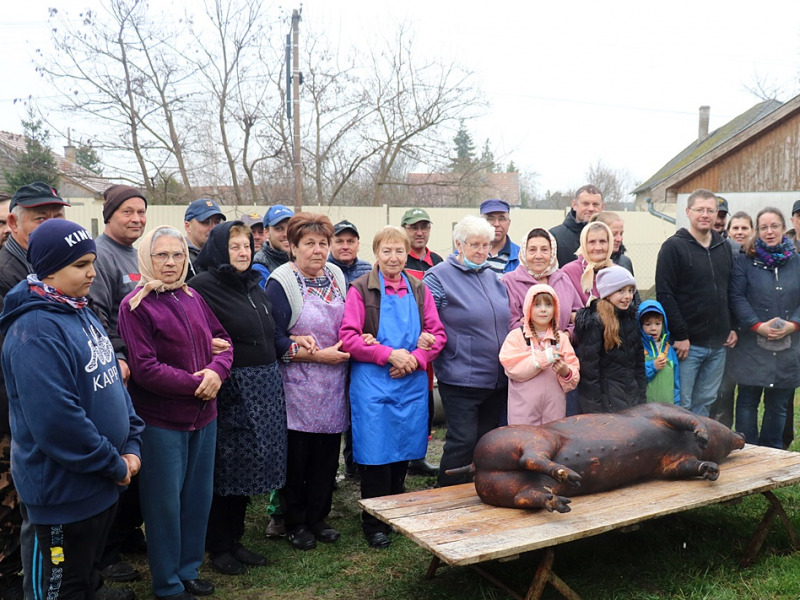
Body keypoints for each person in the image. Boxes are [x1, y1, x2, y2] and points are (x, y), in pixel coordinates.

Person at [1, 218, 144, 600]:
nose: (92, 273)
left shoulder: (79, 310)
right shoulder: (33, 332)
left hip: (101, 484)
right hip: (63, 497)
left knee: (83, 572)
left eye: (92, 262)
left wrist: (131, 443)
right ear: (49, 269)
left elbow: (113, 382)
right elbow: (57, 422)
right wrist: (114, 465)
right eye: (80, 265)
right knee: (57, 587)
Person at [118, 226, 233, 600]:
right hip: (162, 421)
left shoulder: (192, 296)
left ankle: (189, 570)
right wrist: (196, 384)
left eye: (178, 255)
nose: (170, 263)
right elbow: (145, 368)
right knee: (164, 506)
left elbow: (225, 342)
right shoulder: (135, 306)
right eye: (161, 255)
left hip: (205, 417)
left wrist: (218, 371)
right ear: (146, 260)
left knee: (198, 498)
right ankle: (167, 584)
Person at [339, 226, 446, 549]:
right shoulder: (361, 289)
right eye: (386, 251)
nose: (393, 257)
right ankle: (374, 522)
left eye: (399, 251)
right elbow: (349, 337)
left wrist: (414, 359)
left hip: (410, 383)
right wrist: (388, 355)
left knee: (403, 450)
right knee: (376, 454)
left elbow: (437, 334)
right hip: (373, 384)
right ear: (376, 254)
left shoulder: (418, 289)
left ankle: (396, 512)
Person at [191, 221, 287, 575]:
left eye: (247, 245)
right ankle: (217, 546)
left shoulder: (253, 284)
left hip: (263, 387)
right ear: (219, 249)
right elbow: (193, 335)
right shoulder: (202, 288)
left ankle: (235, 540)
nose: (244, 251)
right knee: (226, 469)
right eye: (235, 246)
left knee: (247, 468)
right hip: (231, 388)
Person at [0, 182, 71, 600]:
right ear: (14, 221)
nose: (50, 226)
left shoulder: (46, 267)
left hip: (40, 410)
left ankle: (65, 582)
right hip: (10, 415)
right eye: (40, 219)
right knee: (17, 512)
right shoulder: (8, 275)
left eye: (55, 218)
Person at [265, 213, 349, 551]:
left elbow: (350, 321)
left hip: (333, 384)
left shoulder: (336, 275)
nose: (318, 250)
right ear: (293, 247)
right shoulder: (281, 281)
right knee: (296, 458)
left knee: (327, 456)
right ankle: (295, 521)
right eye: (309, 244)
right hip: (297, 383)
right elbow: (272, 336)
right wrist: (312, 354)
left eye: (323, 243)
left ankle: (319, 517)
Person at [423, 215, 510, 487]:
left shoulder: (493, 277)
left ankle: (477, 493)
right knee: (462, 441)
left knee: (487, 441)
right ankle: (445, 495)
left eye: (486, 245)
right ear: (459, 244)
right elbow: (426, 321)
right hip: (461, 377)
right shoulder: (437, 277)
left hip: (496, 377)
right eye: (475, 245)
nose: (482, 251)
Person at [90, 184, 148, 585]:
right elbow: (96, 319)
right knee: (117, 462)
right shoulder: (99, 256)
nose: (136, 219)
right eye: (128, 212)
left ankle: (127, 534)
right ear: (110, 214)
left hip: (146, 374)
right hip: (117, 376)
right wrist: (120, 357)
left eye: (141, 212)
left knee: (139, 458)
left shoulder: (139, 255)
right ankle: (105, 552)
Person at [655, 188, 737, 417]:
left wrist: (732, 326)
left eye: (711, 210)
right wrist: (680, 335)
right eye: (700, 209)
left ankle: (698, 445)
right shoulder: (674, 247)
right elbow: (665, 294)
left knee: (707, 399)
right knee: (683, 401)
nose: (705, 214)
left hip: (719, 343)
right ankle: (679, 450)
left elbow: (729, 290)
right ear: (688, 212)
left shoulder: (724, 247)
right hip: (688, 345)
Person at [728, 207, 800, 449]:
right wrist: (756, 325)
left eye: (775, 226)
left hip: (788, 347)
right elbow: (737, 297)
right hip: (752, 346)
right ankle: (747, 454)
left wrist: (793, 324)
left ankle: (773, 454)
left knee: (778, 405)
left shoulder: (797, 261)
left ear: (783, 228)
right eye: (764, 227)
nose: (769, 232)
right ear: (757, 231)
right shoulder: (744, 261)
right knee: (747, 402)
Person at [400, 207, 443, 477]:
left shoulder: (437, 261)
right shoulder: (395, 259)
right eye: (414, 227)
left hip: (428, 344)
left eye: (424, 227)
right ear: (404, 229)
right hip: (400, 342)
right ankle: (398, 459)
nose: (419, 232)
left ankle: (418, 457)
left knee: (424, 400)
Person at [499, 284, 579, 426]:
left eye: (548, 304)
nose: (543, 309)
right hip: (523, 415)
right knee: (524, 445)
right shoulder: (517, 336)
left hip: (554, 413)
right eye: (536, 305)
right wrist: (544, 358)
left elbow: (574, 374)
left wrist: (565, 372)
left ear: (555, 309)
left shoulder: (561, 338)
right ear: (528, 308)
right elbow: (511, 367)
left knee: (552, 445)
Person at [574, 265, 646, 413]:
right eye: (621, 290)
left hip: (631, 397)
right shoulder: (595, 322)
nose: (628, 296)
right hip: (607, 403)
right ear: (607, 293)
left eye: (630, 290)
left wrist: (641, 397)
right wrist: (594, 412)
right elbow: (590, 373)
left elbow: (638, 364)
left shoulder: (630, 318)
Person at [549, 220, 615, 334]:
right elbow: (564, 313)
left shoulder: (617, 272)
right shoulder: (568, 272)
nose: (598, 247)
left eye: (603, 241)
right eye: (592, 242)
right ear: (584, 244)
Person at [502, 228, 559, 329]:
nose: (538, 256)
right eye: (532, 250)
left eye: (544, 250)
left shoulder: (563, 279)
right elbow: (508, 323)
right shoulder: (508, 282)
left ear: (552, 252)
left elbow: (575, 316)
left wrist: (568, 334)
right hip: (524, 343)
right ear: (524, 252)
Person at [549, 184, 604, 268]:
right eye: (585, 204)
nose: (591, 208)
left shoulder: (609, 236)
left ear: (602, 207)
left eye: (595, 204)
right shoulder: (554, 236)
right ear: (574, 205)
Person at [637, 300, 680, 405]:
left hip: (668, 408)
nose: (653, 328)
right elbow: (636, 377)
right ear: (640, 326)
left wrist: (677, 405)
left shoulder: (669, 350)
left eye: (658, 324)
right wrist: (652, 366)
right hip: (645, 410)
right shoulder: (638, 349)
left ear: (663, 325)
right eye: (648, 324)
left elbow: (676, 381)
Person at [253, 204, 294, 286]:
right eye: (279, 228)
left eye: (290, 228)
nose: (286, 234)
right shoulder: (259, 267)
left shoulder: (302, 259)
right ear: (266, 232)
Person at [184, 199, 226, 277]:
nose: (213, 228)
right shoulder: (179, 258)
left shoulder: (223, 256)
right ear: (188, 226)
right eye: (206, 222)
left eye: (217, 222)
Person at [479, 199, 519, 276]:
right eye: (490, 219)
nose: (496, 224)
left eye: (502, 219)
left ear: (509, 223)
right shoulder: (465, 253)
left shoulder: (520, 257)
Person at [328, 220, 371, 285]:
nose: (345, 247)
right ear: (329, 246)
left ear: (358, 245)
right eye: (339, 241)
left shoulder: (367, 270)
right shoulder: (322, 271)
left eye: (350, 241)